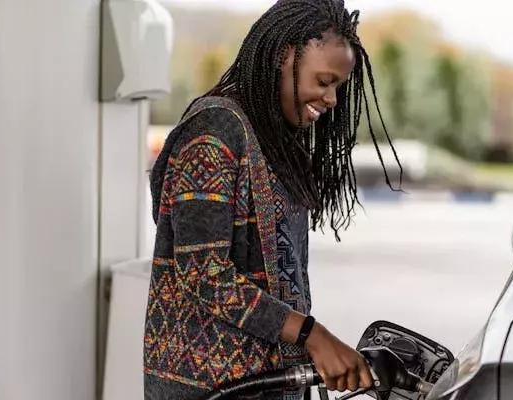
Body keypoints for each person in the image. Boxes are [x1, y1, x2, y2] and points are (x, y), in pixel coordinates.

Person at [143, 0, 403, 399]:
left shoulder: (272, 141)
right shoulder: (213, 133)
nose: (332, 99)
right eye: (324, 80)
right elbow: (203, 273)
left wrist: (311, 345)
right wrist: (312, 335)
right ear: (284, 56)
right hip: (213, 391)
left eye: (338, 86)